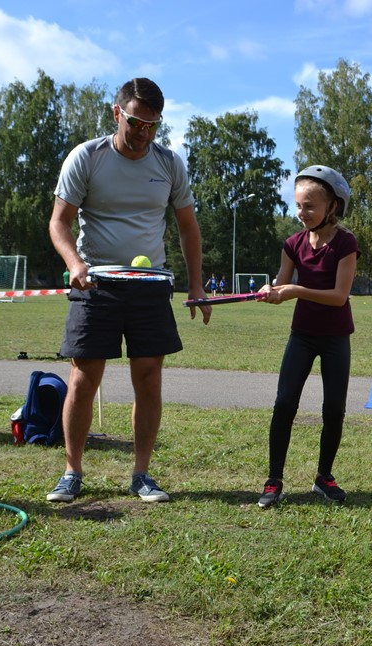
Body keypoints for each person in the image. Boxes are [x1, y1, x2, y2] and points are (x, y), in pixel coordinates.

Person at [47, 77, 211, 503]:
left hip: (149, 287)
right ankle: (72, 471)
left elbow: (187, 227)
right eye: (137, 122)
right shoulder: (87, 157)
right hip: (96, 284)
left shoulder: (169, 163)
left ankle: (141, 474)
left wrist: (196, 284)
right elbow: (59, 222)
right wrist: (75, 264)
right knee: (83, 378)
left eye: (153, 125)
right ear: (117, 113)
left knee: (149, 378)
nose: (144, 133)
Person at [256, 165, 359, 508]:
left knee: (334, 409)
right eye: (298, 205)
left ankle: (324, 477)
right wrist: (270, 289)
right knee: (284, 404)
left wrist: (296, 289)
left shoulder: (346, 244)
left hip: (335, 337)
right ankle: (274, 481)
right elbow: (281, 280)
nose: (302, 213)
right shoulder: (293, 244)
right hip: (301, 335)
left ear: (333, 207)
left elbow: (339, 296)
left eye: (309, 206)